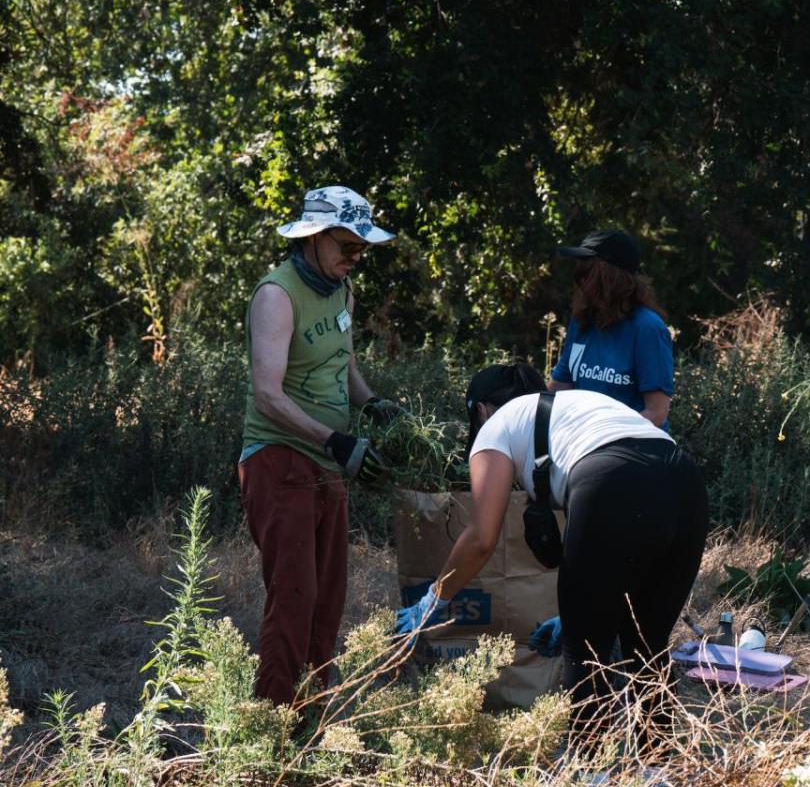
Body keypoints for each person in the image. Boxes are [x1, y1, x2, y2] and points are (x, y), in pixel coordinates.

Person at [395, 364, 708, 752]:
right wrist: (583, 607)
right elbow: (621, 544)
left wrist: (434, 601)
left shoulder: (495, 429)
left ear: (479, 411)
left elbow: (480, 538)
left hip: (614, 478)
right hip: (685, 483)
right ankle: (659, 768)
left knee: (585, 648)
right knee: (646, 642)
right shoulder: (573, 409)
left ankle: (589, 772)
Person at [239, 185, 402, 706]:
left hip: (328, 463)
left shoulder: (344, 292)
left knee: (328, 600)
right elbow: (267, 395)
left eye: (362, 250)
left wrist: (374, 405)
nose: (355, 258)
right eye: (346, 246)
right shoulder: (276, 295)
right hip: (279, 459)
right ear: (313, 237)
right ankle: (271, 725)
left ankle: (309, 720)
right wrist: (334, 440)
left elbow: (345, 367)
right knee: (294, 597)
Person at [549, 229, 674, 428]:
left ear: (609, 277)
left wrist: (600, 436)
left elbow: (656, 413)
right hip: (581, 444)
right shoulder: (582, 321)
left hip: (635, 448)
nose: (579, 279)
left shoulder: (647, 329)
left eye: (586, 271)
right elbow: (559, 387)